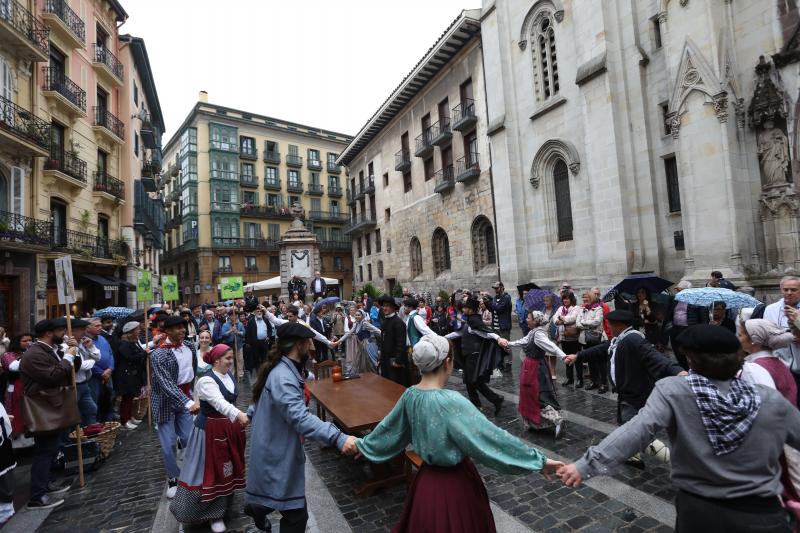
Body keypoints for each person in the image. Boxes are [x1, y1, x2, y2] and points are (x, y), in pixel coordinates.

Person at [557, 325, 799, 532]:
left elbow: (636, 431)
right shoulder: (768, 398)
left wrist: (585, 465)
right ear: (739, 358)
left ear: (691, 359)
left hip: (700, 513)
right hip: (762, 513)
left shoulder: (674, 391)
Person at [356, 333, 563, 533]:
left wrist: (361, 445)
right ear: (447, 363)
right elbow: (493, 439)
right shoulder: (450, 401)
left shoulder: (410, 395)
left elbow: (388, 430)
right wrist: (538, 461)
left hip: (425, 486)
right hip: (455, 488)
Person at [245, 323, 358, 532]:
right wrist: (338, 437)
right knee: (297, 516)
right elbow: (301, 418)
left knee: (286, 502)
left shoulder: (286, 369)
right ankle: (257, 506)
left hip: (278, 446)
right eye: (308, 343)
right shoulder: (282, 376)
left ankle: (257, 506)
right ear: (299, 345)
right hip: (276, 451)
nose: (310, 346)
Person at [565, 309, 684, 467]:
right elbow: (601, 348)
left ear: (619, 325)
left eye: (610, 324)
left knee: (637, 432)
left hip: (635, 393)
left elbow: (655, 357)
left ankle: (678, 462)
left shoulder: (633, 339)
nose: (608, 326)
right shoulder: (619, 339)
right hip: (626, 392)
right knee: (626, 424)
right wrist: (578, 356)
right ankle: (633, 455)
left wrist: (677, 371)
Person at [170, 344, 248, 533]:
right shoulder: (206, 380)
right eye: (228, 358)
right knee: (206, 473)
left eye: (232, 358)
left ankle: (221, 510)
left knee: (226, 470)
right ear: (216, 360)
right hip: (208, 433)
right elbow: (219, 402)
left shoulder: (228, 375)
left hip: (227, 431)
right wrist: (239, 414)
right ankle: (204, 515)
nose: (231, 361)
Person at [19, 318, 74, 509]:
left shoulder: (49, 350)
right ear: (49, 333)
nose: (63, 333)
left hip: (52, 404)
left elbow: (67, 370)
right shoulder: (34, 354)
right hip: (42, 406)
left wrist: (70, 352)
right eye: (60, 330)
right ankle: (37, 496)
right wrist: (68, 358)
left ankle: (46, 484)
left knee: (51, 448)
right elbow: (52, 376)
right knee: (44, 451)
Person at [150, 315, 199, 499]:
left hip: (185, 397)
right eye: (178, 327)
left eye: (183, 326)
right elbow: (166, 384)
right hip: (165, 401)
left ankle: (191, 469)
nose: (183, 330)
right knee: (168, 444)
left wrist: (191, 393)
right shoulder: (158, 354)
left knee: (189, 437)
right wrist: (188, 402)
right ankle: (173, 477)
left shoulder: (190, 346)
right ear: (168, 331)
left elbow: (192, 369)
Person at [500, 311, 567, 437]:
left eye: (529, 318)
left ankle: (556, 419)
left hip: (535, 368)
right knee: (528, 394)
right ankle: (535, 423)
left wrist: (563, 356)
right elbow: (523, 341)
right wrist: (508, 343)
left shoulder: (538, 334)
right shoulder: (533, 332)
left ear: (535, 321)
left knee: (536, 395)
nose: (526, 319)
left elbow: (551, 346)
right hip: (531, 366)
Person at [445, 296, 505, 414]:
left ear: (471, 309)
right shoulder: (470, 320)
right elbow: (459, 333)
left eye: (465, 308)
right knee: (469, 381)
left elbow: (487, 333)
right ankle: (476, 404)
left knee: (474, 381)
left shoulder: (474, 321)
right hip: (468, 355)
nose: (463, 310)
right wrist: (442, 337)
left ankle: (495, 399)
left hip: (473, 356)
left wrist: (498, 338)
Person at [62, 318, 99, 427]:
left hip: (84, 383)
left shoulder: (83, 342)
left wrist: (91, 347)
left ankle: (91, 432)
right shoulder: (66, 345)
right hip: (73, 385)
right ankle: (73, 435)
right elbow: (79, 366)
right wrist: (92, 361)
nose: (85, 331)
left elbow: (98, 356)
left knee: (91, 409)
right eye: (82, 329)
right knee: (72, 414)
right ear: (72, 330)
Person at [115, 322, 150, 429]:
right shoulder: (124, 344)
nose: (139, 331)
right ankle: (125, 420)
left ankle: (130, 416)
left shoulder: (134, 342)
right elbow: (130, 357)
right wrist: (144, 353)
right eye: (137, 329)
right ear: (130, 332)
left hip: (133, 374)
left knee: (130, 398)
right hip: (126, 376)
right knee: (126, 398)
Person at [1, 333, 33, 448]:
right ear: (17, 342)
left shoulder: (32, 353)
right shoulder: (8, 355)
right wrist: (29, 355)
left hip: (30, 387)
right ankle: (17, 445)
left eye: (30, 340)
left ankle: (30, 443)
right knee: (17, 413)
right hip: (16, 388)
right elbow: (13, 367)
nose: (28, 343)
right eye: (25, 341)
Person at [576, 291, 608, 393]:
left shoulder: (598, 308)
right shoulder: (582, 309)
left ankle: (604, 383)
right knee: (591, 362)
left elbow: (597, 322)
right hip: (586, 339)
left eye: (587, 297)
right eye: (583, 298)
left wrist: (584, 323)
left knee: (601, 362)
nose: (585, 299)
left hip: (598, 339)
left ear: (592, 298)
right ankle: (594, 381)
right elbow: (577, 324)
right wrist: (588, 324)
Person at [86, 317, 115, 422]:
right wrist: (101, 372)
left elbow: (110, 354)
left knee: (109, 399)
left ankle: (108, 422)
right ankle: (96, 424)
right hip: (94, 377)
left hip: (108, 374)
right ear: (88, 328)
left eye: (100, 325)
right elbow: (86, 359)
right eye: (97, 326)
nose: (100, 328)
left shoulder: (102, 338)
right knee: (95, 401)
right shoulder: (85, 341)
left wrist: (110, 368)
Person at [333, 309, 380, 374]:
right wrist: (338, 341)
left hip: (368, 345)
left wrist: (384, 335)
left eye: (359, 315)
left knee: (371, 362)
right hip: (361, 345)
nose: (357, 316)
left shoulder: (365, 323)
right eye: (356, 315)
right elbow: (348, 333)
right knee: (362, 363)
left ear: (362, 316)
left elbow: (377, 330)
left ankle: (377, 375)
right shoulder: (356, 324)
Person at [377, 295, 409, 386]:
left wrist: (398, 361)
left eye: (387, 306)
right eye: (383, 306)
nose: (384, 308)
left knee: (396, 386)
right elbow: (383, 341)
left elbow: (401, 344)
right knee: (386, 385)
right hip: (385, 360)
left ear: (393, 308)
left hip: (394, 362)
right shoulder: (385, 321)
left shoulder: (398, 323)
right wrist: (380, 358)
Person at [555, 292, 581, 388]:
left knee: (577, 359)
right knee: (567, 358)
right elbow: (555, 318)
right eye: (564, 299)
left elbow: (572, 318)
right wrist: (559, 320)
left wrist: (562, 318)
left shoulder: (576, 308)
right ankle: (569, 378)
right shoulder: (560, 308)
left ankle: (580, 379)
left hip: (574, 338)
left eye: (567, 298)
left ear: (571, 299)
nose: (565, 300)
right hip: (563, 337)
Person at [488, 281, 513, 371]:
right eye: (494, 288)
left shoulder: (506, 298)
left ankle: (508, 363)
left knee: (506, 345)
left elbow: (499, 308)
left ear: (502, 288)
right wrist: (487, 303)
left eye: (497, 288)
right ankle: (500, 363)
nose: (496, 290)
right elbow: (492, 309)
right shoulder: (495, 298)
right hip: (495, 326)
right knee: (498, 346)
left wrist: (490, 301)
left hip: (503, 326)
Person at [245, 304, 274, 375]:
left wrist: (268, 336)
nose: (259, 312)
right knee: (256, 358)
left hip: (264, 342)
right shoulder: (251, 321)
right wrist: (248, 342)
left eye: (260, 311)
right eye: (257, 311)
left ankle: (265, 371)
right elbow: (248, 332)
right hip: (255, 343)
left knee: (265, 357)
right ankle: (258, 372)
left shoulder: (265, 319)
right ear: (255, 312)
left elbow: (270, 329)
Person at [221, 311, 245, 380]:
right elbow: (223, 334)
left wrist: (238, 332)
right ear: (229, 316)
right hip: (229, 346)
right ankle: (231, 374)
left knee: (240, 359)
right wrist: (231, 330)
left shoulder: (240, 324)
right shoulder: (225, 325)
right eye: (232, 315)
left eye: (236, 315)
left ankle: (240, 374)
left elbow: (244, 333)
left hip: (238, 345)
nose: (234, 317)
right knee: (230, 360)